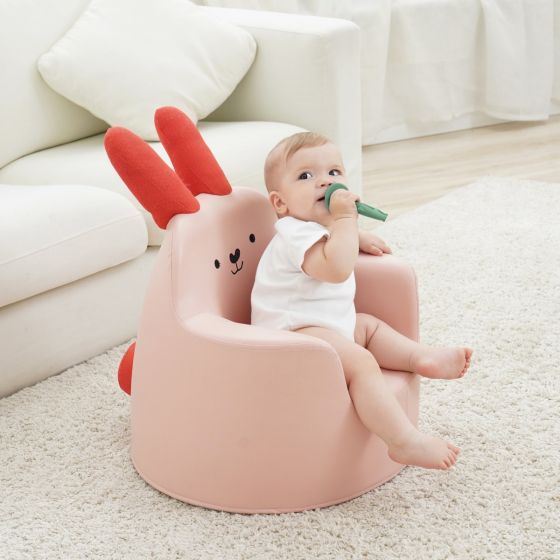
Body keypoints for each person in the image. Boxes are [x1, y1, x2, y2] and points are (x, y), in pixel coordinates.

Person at [251, 132, 473, 470]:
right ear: (281, 204)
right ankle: (402, 441)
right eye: (306, 175)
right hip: (290, 336)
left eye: (334, 172)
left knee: (368, 327)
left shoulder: (318, 229)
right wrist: (346, 221)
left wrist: (354, 234)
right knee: (361, 361)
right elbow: (336, 268)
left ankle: (419, 356)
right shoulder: (294, 233)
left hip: (321, 327)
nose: (325, 182)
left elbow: (333, 243)